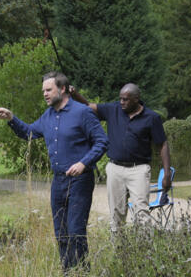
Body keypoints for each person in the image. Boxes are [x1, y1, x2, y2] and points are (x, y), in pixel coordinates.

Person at [0, 72, 109, 271]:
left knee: (75, 231)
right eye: (43, 91)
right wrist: (11, 118)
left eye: (49, 90)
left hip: (80, 180)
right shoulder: (48, 115)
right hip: (58, 182)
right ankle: (68, 274)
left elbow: (102, 141)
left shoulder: (82, 112)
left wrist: (84, 163)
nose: (45, 94)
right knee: (61, 233)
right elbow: (28, 132)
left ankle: (82, 274)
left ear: (62, 89)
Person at [71, 83, 171, 233]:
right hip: (115, 169)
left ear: (136, 99)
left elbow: (162, 144)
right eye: (120, 99)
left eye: (126, 99)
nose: (122, 102)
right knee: (116, 214)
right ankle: (119, 252)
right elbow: (87, 106)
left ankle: (145, 252)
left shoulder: (152, 118)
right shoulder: (113, 109)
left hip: (139, 169)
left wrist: (167, 173)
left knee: (141, 212)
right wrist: (74, 94)